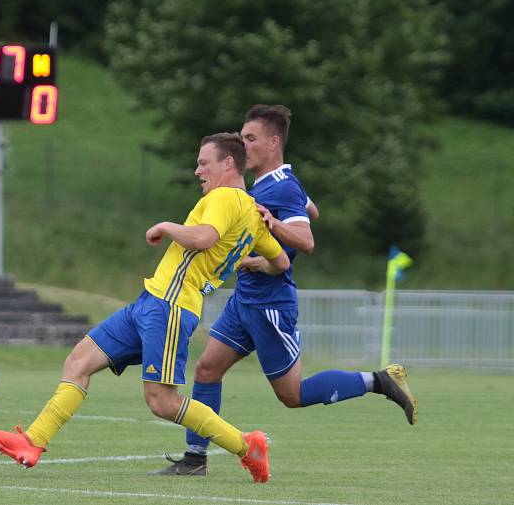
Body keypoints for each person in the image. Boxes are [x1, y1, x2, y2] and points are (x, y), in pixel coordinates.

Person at [0, 132, 290, 483]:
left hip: (171, 306)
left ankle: (246, 446)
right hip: (152, 301)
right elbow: (280, 261)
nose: (197, 170)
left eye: (204, 163)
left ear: (228, 163)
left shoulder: (225, 197)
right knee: (78, 361)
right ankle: (32, 442)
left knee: (161, 402)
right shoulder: (252, 212)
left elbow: (204, 238)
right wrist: (246, 261)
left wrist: (165, 226)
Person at [154, 104, 418, 476]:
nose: (243, 146)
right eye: (242, 138)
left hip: (270, 304)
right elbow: (311, 210)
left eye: (251, 139)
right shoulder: (273, 184)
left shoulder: (280, 186)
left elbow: (306, 239)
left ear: (274, 142)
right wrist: (267, 244)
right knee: (207, 369)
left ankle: (379, 380)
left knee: (291, 395)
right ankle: (195, 458)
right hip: (245, 297)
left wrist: (274, 224)